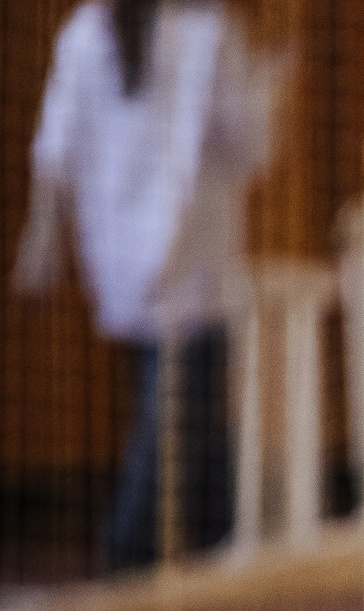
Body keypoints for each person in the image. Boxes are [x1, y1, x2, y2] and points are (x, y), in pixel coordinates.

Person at [15, 0, 276, 570]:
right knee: (178, 405)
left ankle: (217, 539)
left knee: (191, 405)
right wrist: (269, 88)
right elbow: (247, 144)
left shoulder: (87, 30)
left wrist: (41, 237)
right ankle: (126, 550)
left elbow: (55, 146)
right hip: (190, 253)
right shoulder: (206, 33)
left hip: (119, 253)